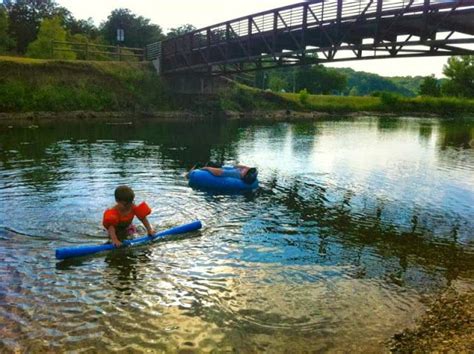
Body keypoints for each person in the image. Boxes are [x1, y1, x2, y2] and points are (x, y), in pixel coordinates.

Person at [187, 162, 258, 184]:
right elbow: (240, 167)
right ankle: (197, 167)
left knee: (201, 165)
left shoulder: (235, 173)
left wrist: (207, 168)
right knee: (209, 164)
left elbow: (219, 173)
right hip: (226, 167)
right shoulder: (240, 169)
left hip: (232, 171)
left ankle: (194, 169)